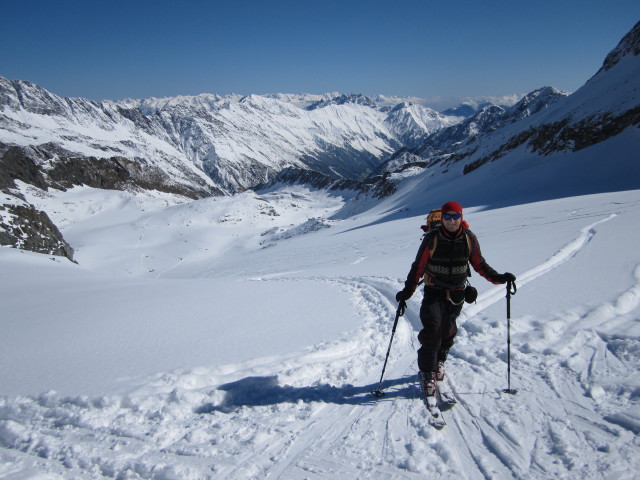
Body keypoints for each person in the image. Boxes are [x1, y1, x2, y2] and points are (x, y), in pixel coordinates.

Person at [396, 201, 516, 397]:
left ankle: (440, 361)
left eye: (455, 216)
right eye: (447, 217)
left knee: (449, 329)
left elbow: (479, 264)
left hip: (457, 293)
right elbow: (418, 267)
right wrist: (407, 292)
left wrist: (499, 278)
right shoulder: (432, 239)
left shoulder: (469, 239)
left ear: (462, 218)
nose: (451, 221)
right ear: (442, 219)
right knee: (432, 330)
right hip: (433, 291)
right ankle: (427, 372)